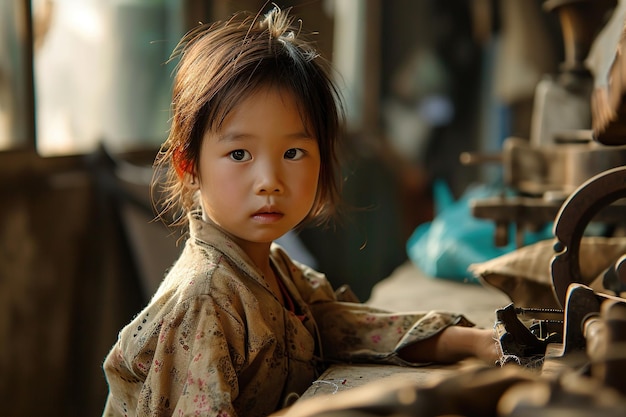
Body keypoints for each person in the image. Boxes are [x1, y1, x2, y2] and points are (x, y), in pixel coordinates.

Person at [102, 6, 500, 417]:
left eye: (293, 152)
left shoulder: (278, 274)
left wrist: (476, 342)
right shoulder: (205, 299)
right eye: (239, 153)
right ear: (190, 167)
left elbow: (344, 327)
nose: (269, 180)